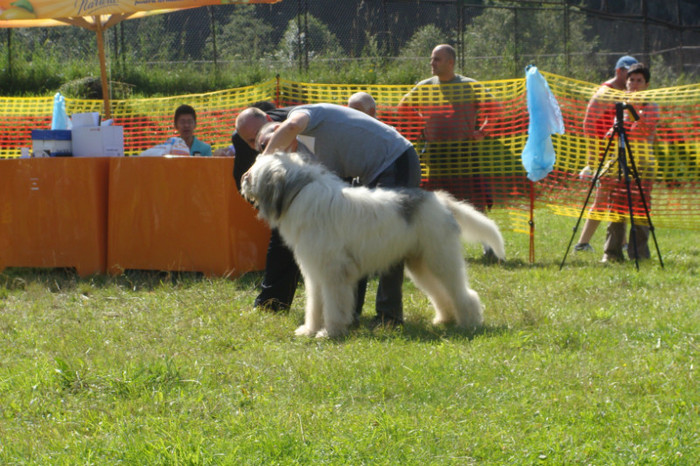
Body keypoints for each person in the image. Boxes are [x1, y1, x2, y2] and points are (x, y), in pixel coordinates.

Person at [250, 102, 421, 327]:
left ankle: (389, 317)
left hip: (395, 159)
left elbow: (291, 126)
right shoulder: (302, 159)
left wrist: (262, 162)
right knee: (353, 241)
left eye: (269, 142)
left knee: (389, 237)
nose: (270, 149)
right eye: (261, 148)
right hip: (369, 174)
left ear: (276, 127)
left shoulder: (301, 116)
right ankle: (349, 314)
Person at [398, 44, 494, 259]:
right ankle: (433, 247)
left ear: (450, 62)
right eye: (432, 59)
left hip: (464, 153)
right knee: (435, 203)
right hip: (435, 156)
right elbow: (403, 107)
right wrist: (419, 124)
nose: (432, 63)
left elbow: (495, 109)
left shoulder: (469, 85)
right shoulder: (424, 86)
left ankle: (489, 247)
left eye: (437, 59)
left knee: (473, 201)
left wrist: (483, 131)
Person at [574, 55, 638, 253]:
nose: (631, 77)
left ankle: (621, 242)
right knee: (601, 200)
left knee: (619, 198)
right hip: (606, 155)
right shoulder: (605, 92)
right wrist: (593, 157)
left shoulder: (626, 92)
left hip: (620, 152)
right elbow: (588, 123)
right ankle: (582, 243)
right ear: (619, 71)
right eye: (629, 73)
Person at [602, 63, 658, 263]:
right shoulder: (620, 105)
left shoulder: (651, 106)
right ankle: (611, 253)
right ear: (625, 82)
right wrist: (612, 132)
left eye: (639, 81)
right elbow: (614, 133)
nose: (634, 84)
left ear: (646, 84)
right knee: (615, 209)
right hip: (620, 162)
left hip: (643, 165)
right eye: (631, 80)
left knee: (640, 211)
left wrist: (631, 114)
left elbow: (643, 129)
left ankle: (640, 254)